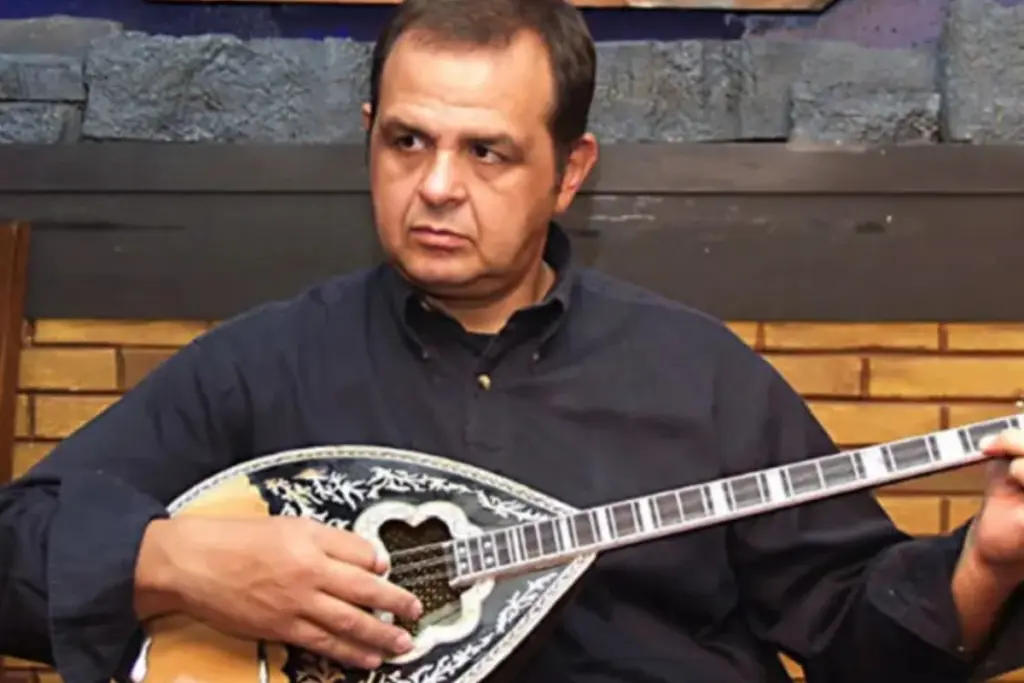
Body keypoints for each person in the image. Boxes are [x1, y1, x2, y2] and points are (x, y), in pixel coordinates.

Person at [3, 0, 1024, 681]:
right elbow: (17, 543)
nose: (438, 185)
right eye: (407, 141)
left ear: (569, 171)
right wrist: (170, 562)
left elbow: (859, 636)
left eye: (487, 151)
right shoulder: (262, 364)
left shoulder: (701, 377)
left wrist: (985, 559)